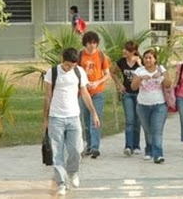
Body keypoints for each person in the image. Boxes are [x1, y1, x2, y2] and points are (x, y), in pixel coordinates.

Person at [43, 47, 100, 195]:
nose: (69, 68)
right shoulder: (52, 73)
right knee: (57, 153)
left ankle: (72, 172)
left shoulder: (78, 72)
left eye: (73, 65)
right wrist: (45, 119)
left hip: (74, 117)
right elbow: (47, 96)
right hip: (56, 118)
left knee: (76, 149)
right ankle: (61, 183)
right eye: (68, 65)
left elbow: (85, 93)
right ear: (63, 60)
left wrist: (94, 113)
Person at [130, 49, 172, 164]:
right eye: (146, 58)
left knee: (157, 131)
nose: (148, 60)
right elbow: (133, 87)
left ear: (155, 59)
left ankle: (158, 155)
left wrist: (162, 76)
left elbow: (168, 84)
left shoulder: (161, 69)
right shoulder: (139, 70)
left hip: (159, 105)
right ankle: (149, 149)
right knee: (148, 131)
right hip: (143, 106)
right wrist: (140, 78)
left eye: (150, 57)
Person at [78, 31, 111, 159]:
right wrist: (83, 85)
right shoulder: (80, 55)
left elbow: (107, 74)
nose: (92, 45)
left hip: (97, 92)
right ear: (85, 43)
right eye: (89, 43)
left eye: (94, 43)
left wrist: (98, 82)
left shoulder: (102, 56)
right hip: (83, 92)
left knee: (95, 120)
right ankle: (89, 145)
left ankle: (95, 147)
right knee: (86, 121)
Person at [111, 41, 143, 156]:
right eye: (124, 49)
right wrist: (119, 85)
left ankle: (136, 146)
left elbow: (146, 74)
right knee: (129, 120)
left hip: (139, 94)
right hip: (127, 94)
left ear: (133, 52)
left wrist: (140, 64)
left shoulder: (141, 61)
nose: (124, 51)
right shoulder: (121, 61)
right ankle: (128, 146)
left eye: (127, 50)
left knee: (137, 120)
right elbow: (113, 73)